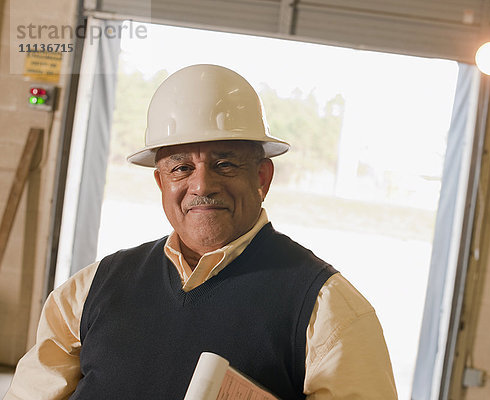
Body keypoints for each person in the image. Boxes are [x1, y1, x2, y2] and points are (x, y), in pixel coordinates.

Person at [5, 64, 397, 399]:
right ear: (162, 183)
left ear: (262, 176)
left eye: (224, 164)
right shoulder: (88, 291)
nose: (202, 185)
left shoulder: (328, 311)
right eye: (181, 168)